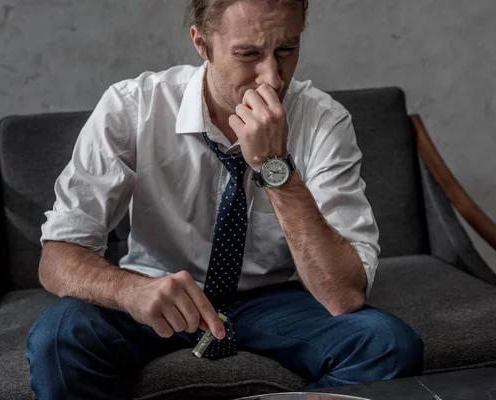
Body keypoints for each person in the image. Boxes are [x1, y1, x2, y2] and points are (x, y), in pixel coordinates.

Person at [26, 0, 424, 398]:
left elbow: (344, 295)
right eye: (248, 53)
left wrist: (275, 165)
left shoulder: (323, 121)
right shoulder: (133, 108)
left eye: (286, 49)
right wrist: (133, 292)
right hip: (159, 293)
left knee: (387, 345)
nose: (272, 77)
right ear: (201, 43)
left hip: (275, 299)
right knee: (59, 336)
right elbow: (59, 256)